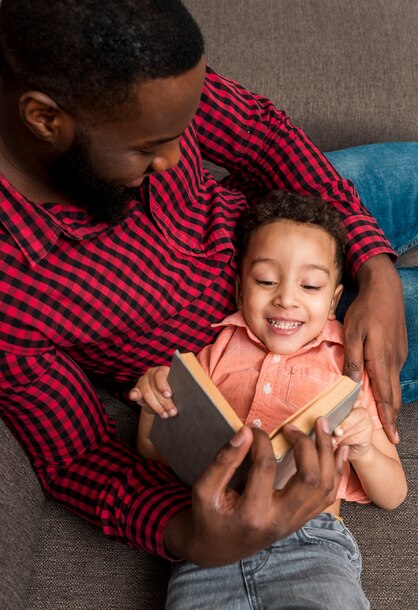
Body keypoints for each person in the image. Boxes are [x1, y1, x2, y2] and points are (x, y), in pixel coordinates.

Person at [0, 0, 414, 567]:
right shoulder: (10, 287)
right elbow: (78, 457)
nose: (175, 159)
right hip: (297, 348)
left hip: (293, 224)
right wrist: (188, 534)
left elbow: (261, 135)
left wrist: (373, 264)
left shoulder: (141, 75)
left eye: (178, 135)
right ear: (45, 120)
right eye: (148, 148)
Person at [133, 190, 407, 610]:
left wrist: (364, 447)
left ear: (333, 300)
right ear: (241, 290)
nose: (285, 298)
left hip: (312, 547)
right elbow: (152, 449)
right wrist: (155, 397)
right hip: (210, 548)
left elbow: (394, 495)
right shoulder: (216, 352)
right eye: (265, 281)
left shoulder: (346, 373)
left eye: (310, 285)